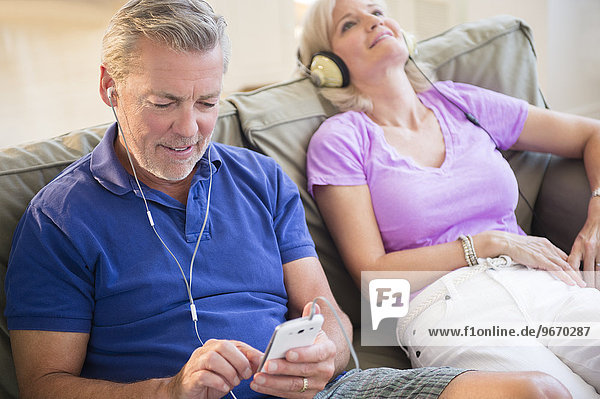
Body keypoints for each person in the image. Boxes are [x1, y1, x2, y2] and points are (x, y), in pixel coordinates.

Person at [3, 1, 574, 398]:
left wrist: (325, 351)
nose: (188, 128)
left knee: (537, 391)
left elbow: (328, 314)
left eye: (206, 103)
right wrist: (168, 391)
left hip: (326, 396)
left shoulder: (261, 179)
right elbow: (44, 386)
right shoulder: (60, 218)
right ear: (110, 88)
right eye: (163, 101)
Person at [298, 0, 600, 397]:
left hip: (541, 280)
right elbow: (373, 276)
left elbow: (591, 133)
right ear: (327, 63)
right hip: (444, 307)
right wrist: (489, 244)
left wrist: (596, 210)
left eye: (377, 10)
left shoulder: (460, 102)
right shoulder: (339, 140)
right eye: (350, 23)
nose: (374, 21)